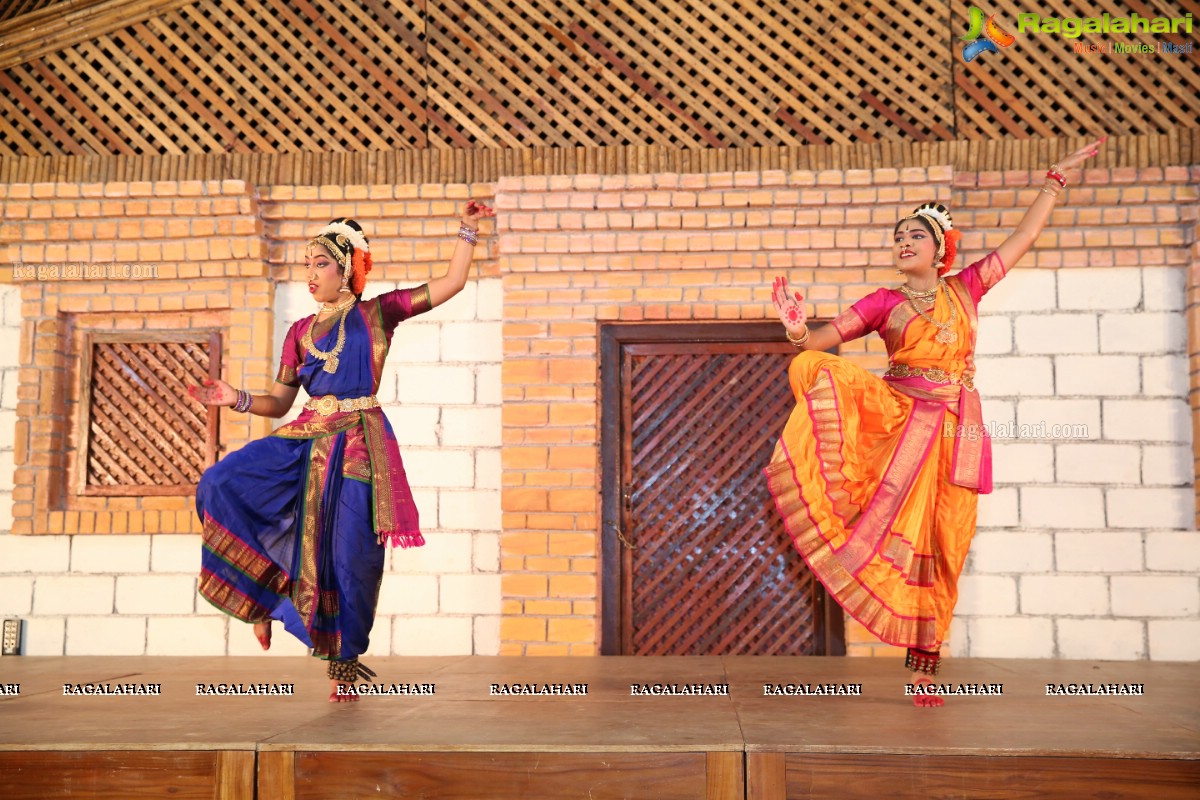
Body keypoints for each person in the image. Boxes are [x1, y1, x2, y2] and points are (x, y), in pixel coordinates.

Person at [766, 139, 1104, 706]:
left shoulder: (964, 290)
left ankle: (926, 663)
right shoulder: (882, 302)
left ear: (941, 248)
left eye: (914, 236)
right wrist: (798, 329)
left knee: (948, 540)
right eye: (898, 237)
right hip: (901, 425)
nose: (903, 243)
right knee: (813, 367)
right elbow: (820, 344)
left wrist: (1054, 182)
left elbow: (1020, 241)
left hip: (958, 429)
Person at [188, 201, 494, 702]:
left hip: (357, 446)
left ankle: (344, 665)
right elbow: (281, 402)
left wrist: (469, 229)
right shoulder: (298, 335)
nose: (311, 274)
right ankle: (260, 598)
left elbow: (451, 284)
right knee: (220, 483)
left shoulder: (377, 315)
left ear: (347, 269)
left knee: (352, 555)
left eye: (322, 264)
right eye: (308, 264)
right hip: (307, 440)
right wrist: (234, 398)